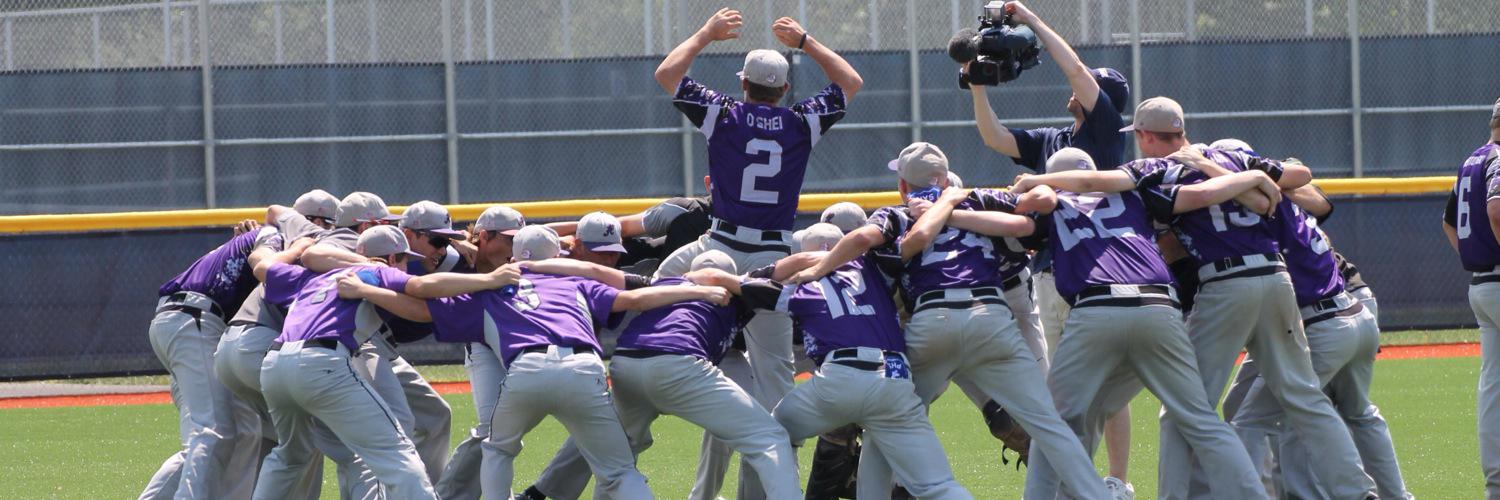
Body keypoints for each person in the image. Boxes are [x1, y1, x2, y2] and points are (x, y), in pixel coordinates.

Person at [1011, 95, 1377, 500]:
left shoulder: (1157, 170)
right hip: (1273, 277)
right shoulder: (1227, 156)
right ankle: (1357, 491)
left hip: (1220, 284)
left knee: (1184, 412)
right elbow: (1292, 181)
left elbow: (1102, 183)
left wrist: (1040, 181)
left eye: (1140, 137)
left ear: (1148, 136)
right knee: (1301, 395)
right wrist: (1242, 176)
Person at [792, 142, 1107, 500]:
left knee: (888, 425)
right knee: (1049, 425)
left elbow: (866, 237)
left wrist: (819, 267)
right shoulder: (979, 199)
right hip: (990, 315)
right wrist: (965, 202)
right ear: (945, 178)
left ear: (903, 186)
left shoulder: (900, 212)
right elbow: (1043, 204)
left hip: (930, 320)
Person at [353, 225, 732, 498]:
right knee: (617, 469)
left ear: (516, 256)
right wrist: (698, 290)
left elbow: (421, 312)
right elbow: (634, 300)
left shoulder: (492, 287)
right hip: (585, 370)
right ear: (559, 256)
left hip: (526, 372)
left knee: (498, 448)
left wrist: (368, 289)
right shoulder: (575, 282)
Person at [651, 9, 862, 499]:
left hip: (717, 249)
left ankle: (620, 374)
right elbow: (850, 81)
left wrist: (705, 33)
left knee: (653, 299)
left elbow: (667, 74)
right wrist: (806, 40)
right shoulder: (800, 121)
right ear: (785, 89)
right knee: (777, 388)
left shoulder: (724, 112)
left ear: (743, 82)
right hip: (771, 260)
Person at [980, 147, 1268, 499]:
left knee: (1058, 426)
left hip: (1096, 311)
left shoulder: (1051, 203)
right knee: (1200, 421)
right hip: (1159, 308)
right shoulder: (1136, 193)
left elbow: (1017, 223)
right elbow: (1202, 195)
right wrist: (1249, 178)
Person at [963, 3, 1135, 487]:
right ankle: (1073, 476)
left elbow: (1077, 69)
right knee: (1065, 388)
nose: (1072, 89)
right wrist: (976, 84)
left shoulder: (1102, 131)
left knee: (1103, 385)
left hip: (1090, 269)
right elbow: (994, 137)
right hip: (1047, 271)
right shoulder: (1055, 138)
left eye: (1084, 88)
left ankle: (1117, 481)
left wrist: (1033, 21)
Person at [522, 251, 802, 499]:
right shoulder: (736, 289)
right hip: (678, 365)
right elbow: (792, 263)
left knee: (619, 461)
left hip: (625, 364)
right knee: (769, 436)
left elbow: (593, 271)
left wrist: (529, 265)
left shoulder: (663, 282)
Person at [252, 225, 436, 499]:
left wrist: (292, 248)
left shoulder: (313, 276)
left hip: (275, 365)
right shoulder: (377, 272)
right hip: (321, 362)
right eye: (405, 259)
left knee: (289, 457)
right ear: (393, 258)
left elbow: (261, 267)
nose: (407, 266)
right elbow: (422, 307)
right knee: (396, 452)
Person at [300, 192, 455, 487]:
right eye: (439, 240)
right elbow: (310, 255)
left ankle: (428, 492)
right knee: (383, 431)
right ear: (369, 224)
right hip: (341, 345)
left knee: (434, 415)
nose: (393, 230)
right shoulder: (346, 244)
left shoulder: (371, 247)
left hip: (365, 343)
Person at [210, 189, 345, 500]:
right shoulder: (310, 245)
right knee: (310, 438)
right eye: (329, 224)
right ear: (313, 220)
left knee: (276, 441)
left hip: (230, 349)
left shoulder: (270, 237)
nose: (334, 232)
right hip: (259, 345)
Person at [140, 210, 284, 500]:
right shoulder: (275, 238)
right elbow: (275, 219)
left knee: (244, 431)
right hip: (194, 321)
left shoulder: (266, 239)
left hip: (193, 325)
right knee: (213, 431)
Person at [434, 205, 526, 500]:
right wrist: (453, 240)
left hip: (518, 346)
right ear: (484, 236)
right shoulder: (455, 259)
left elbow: (564, 232)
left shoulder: (527, 253)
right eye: (510, 239)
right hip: (482, 347)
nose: (516, 246)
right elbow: (418, 243)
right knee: (492, 429)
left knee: (503, 431)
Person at [1441, 97, 1500, 499]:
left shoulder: (1471, 160)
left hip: (1480, 285)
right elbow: (1497, 209)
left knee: (1492, 387)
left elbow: (1448, 222)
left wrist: (1471, 253)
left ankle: (1496, 484)